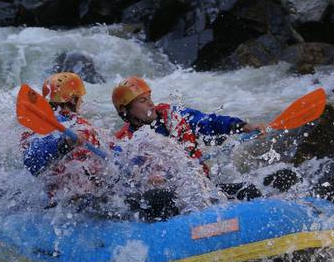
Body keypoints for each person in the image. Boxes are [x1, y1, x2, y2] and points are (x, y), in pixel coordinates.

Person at [112, 76, 263, 200]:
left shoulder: (173, 116)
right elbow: (120, 175)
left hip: (200, 189)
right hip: (165, 198)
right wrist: (144, 179)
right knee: (161, 197)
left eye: (149, 97)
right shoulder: (125, 141)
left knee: (249, 190)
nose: (151, 103)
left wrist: (243, 126)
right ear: (126, 111)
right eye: (142, 101)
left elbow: (208, 122)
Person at [21, 72, 107, 208]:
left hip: (57, 200)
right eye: (80, 98)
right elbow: (33, 162)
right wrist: (65, 143)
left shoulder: (34, 128)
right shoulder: (81, 126)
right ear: (73, 100)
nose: (82, 102)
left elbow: (31, 162)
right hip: (79, 198)